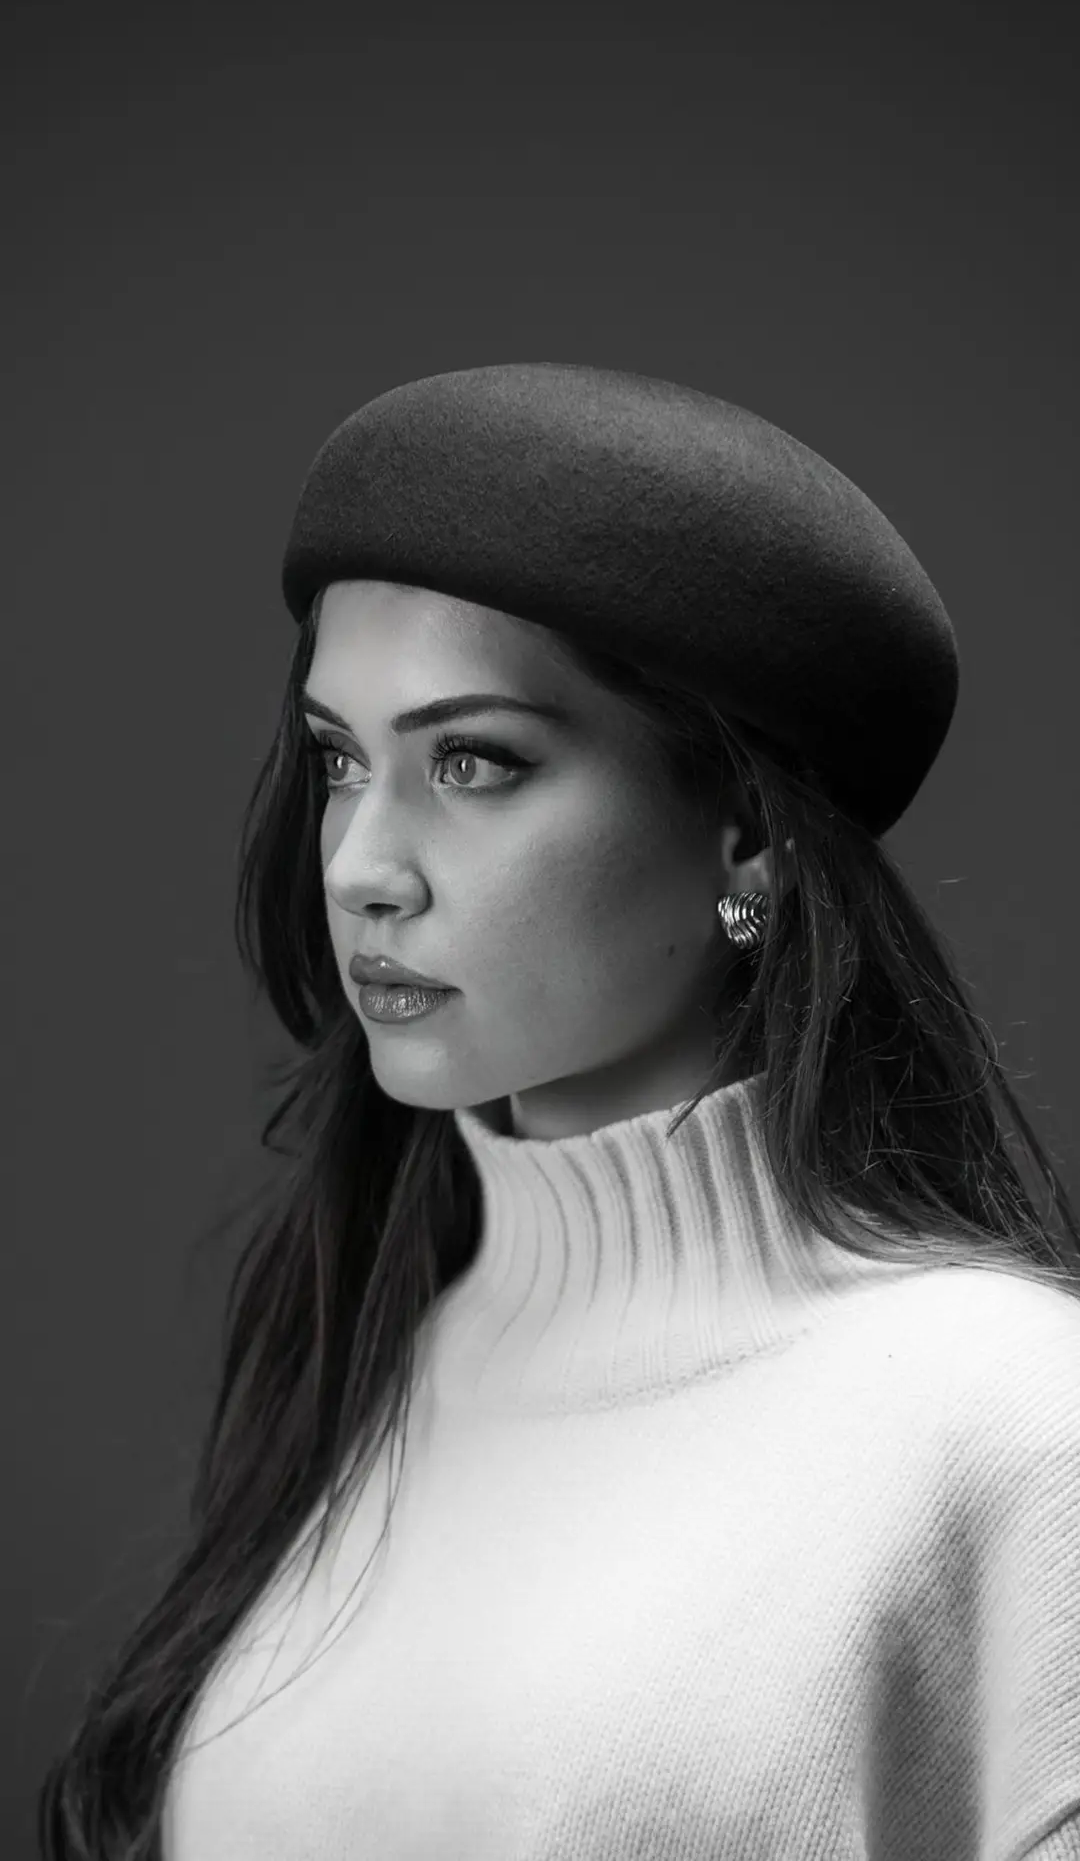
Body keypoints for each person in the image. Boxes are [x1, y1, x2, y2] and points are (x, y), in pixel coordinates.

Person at [40, 364, 1080, 1860]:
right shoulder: (383, 1347)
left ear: (748, 836)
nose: (359, 867)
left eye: (473, 762)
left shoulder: (1005, 1423)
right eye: (343, 762)